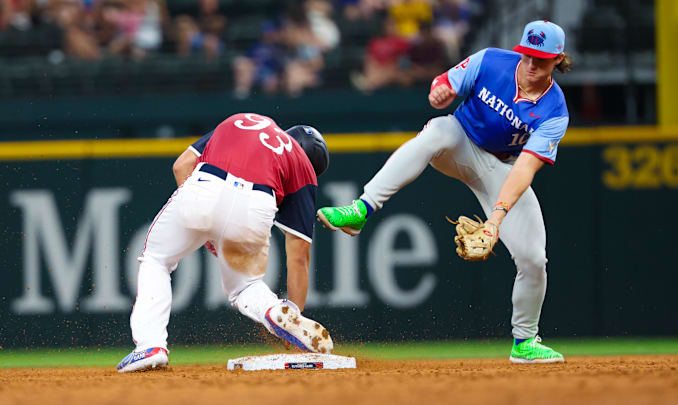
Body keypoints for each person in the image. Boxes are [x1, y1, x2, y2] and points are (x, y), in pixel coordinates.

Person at [317, 20, 572, 364]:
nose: (530, 64)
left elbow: (526, 168)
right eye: (526, 54)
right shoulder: (492, 61)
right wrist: (441, 91)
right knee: (437, 130)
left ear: (558, 59)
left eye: (540, 59)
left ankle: (524, 342)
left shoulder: (554, 110)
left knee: (533, 260)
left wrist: (494, 221)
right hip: (459, 143)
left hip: (502, 169)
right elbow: (445, 83)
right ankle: (362, 209)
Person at [117, 113, 332, 373]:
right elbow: (298, 254)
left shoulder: (245, 120)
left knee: (157, 260)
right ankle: (277, 310)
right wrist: (295, 312)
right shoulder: (302, 166)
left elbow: (182, 165)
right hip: (256, 204)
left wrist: (205, 227)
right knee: (245, 286)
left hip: (205, 183)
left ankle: (150, 347)